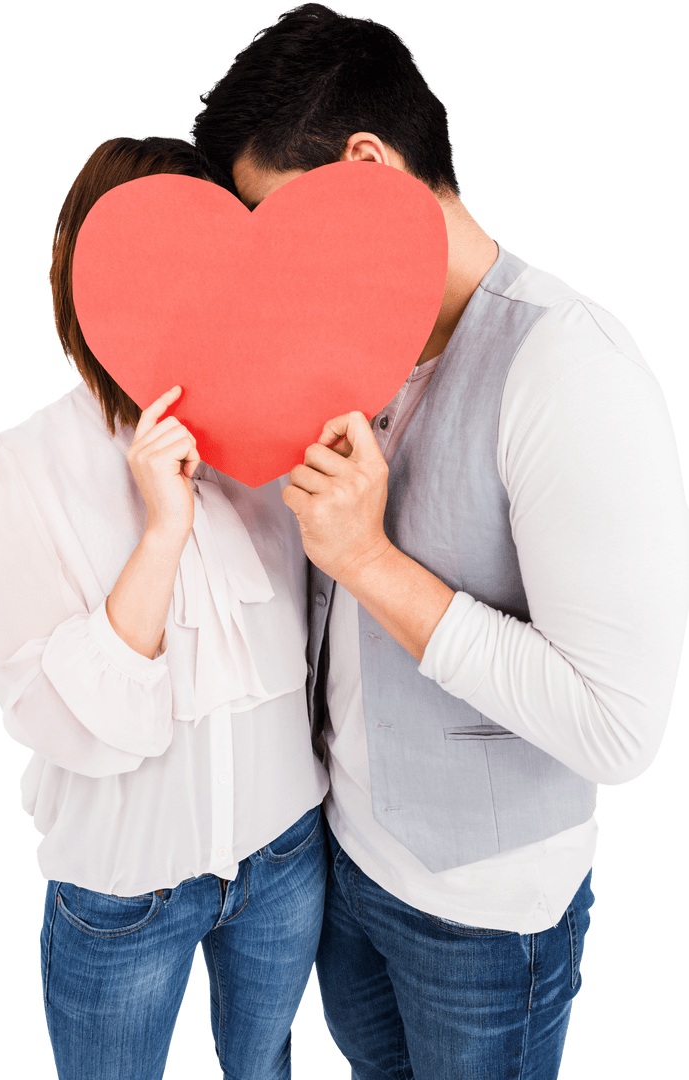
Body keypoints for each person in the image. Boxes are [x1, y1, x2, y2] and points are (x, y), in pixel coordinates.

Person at [189, 5, 689, 1079]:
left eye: (275, 223)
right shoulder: (345, 351)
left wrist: (366, 560)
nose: (271, 270)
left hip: (485, 915)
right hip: (344, 870)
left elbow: (618, 732)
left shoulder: (573, 369)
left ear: (367, 166)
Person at [0, 135, 329, 1080]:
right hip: (123, 891)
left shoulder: (276, 440)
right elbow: (74, 720)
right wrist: (162, 530)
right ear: (85, 275)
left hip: (286, 857)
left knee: (263, 1070)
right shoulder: (15, 467)